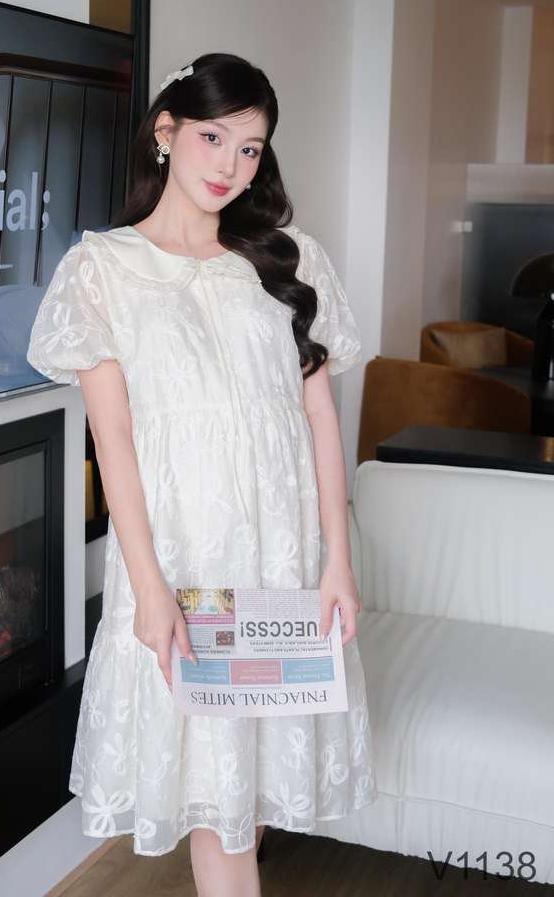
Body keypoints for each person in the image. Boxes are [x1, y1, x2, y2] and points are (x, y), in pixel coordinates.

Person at [26, 52, 378, 897]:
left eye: (250, 148)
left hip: (280, 562)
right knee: (217, 803)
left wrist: (338, 561)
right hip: (186, 562)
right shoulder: (102, 269)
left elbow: (319, 418)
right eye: (213, 138)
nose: (230, 165)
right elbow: (113, 439)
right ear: (166, 131)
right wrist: (147, 588)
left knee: (243, 801)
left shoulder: (289, 261)